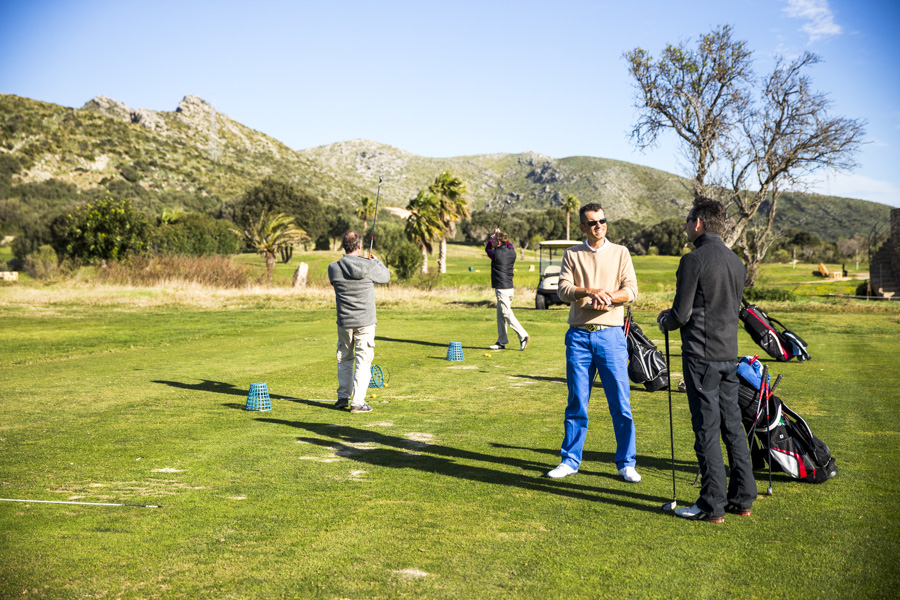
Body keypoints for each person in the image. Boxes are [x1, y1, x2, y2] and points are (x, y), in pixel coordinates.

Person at [657, 198, 756, 522]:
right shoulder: (736, 261)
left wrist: (664, 321)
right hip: (729, 355)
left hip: (701, 357)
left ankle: (711, 504)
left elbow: (681, 314)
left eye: (688, 219)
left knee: (706, 430)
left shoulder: (693, 260)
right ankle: (742, 497)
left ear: (698, 222)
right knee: (733, 428)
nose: (686, 225)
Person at [546, 203, 641, 483]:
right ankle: (570, 461)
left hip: (610, 335)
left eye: (602, 220)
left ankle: (627, 463)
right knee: (577, 401)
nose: (598, 226)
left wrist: (608, 297)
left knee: (620, 403)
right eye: (592, 222)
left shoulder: (621, 252)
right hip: (579, 336)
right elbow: (563, 289)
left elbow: (631, 290)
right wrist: (588, 291)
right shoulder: (572, 254)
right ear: (582, 227)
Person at [328, 231, 391, 413]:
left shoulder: (333, 268)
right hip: (365, 322)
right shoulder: (368, 266)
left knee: (345, 359)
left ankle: (342, 397)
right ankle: (357, 402)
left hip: (344, 322)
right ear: (359, 246)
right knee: (363, 361)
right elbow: (385, 277)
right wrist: (375, 261)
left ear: (343, 246)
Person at [485, 227, 529, 351]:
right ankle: (501, 341)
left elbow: (487, 249)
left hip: (502, 288)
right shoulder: (512, 251)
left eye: (494, 241)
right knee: (500, 314)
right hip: (509, 288)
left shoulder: (495, 254)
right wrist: (498, 235)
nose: (493, 242)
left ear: (498, 243)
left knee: (506, 313)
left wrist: (491, 237)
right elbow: (509, 244)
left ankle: (523, 336)